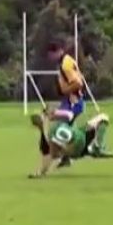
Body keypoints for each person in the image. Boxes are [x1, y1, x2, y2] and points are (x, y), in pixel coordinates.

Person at [28, 109, 113, 179]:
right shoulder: (52, 131)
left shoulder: (49, 133)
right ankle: (97, 147)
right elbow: (52, 154)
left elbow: (50, 155)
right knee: (103, 117)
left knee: (102, 120)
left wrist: (41, 172)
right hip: (79, 142)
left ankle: (105, 151)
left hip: (78, 142)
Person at [47, 38, 85, 168]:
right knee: (61, 128)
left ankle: (73, 152)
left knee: (58, 130)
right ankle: (66, 157)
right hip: (70, 101)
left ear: (57, 52)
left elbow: (78, 83)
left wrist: (65, 90)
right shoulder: (66, 60)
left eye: (50, 54)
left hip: (73, 102)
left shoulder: (65, 64)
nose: (50, 57)